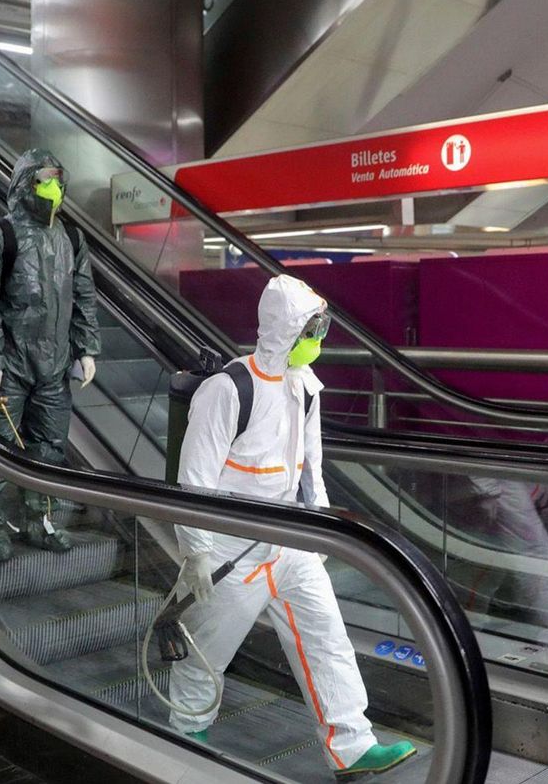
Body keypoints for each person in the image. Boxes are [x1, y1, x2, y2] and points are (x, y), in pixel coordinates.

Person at [169, 275, 416, 779]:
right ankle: (184, 737)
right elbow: (193, 480)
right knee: (205, 653)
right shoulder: (228, 391)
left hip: (292, 542)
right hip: (229, 551)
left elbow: (310, 466)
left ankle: (352, 745)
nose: (318, 341)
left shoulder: (304, 387)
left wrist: (319, 528)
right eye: (311, 330)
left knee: (327, 638)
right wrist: (195, 552)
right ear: (284, 330)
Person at [0, 149, 99, 561]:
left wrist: (86, 348)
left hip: (54, 368)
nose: (53, 190)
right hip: (7, 366)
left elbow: (83, 296)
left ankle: (41, 521)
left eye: (57, 181)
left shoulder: (72, 238)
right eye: (44, 181)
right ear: (25, 185)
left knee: (50, 449)